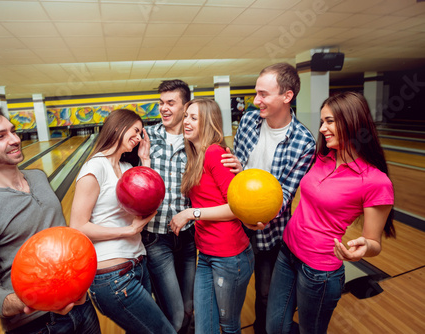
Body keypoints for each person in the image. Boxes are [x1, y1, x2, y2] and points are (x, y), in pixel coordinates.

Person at [0, 96, 101, 334]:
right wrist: (35, 300)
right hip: (38, 325)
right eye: (0, 136)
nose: (15, 140)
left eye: (13, 131)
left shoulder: (38, 177)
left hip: (81, 306)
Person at [266, 91, 396, 334]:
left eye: (330, 121)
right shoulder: (322, 158)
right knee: (274, 327)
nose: (323, 128)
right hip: (287, 252)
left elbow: (373, 242)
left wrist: (363, 248)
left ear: (352, 121)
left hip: (319, 271)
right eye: (322, 121)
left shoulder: (375, 182)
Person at [221, 62, 316, 334]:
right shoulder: (250, 120)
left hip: (269, 230)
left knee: (265, 294)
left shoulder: (303, 142)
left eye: (263, 94)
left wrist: (257, 216)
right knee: (229, 287)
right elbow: (235, 168)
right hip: (234, 222)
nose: (255, 101)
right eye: (256, 93)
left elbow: (284, 194)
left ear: (287, 96)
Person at [69, 108, 176, 334]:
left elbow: (147, 197)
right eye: (135, 131)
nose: (138, 138)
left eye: (140, 134)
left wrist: (145, 159)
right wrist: (127, 231)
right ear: (118, 127)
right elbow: (78, 227)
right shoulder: (95, 167)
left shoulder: (127, 168)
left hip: (138, 265)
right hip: (112, 276)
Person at [170, 98, 254, 334]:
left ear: (208, 122)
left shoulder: (214, 153)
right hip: (206, 254)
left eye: (193, 118)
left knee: (227, 327)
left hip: (229, 256)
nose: (186, 121)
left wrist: (191, 213)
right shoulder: (195, 156)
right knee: (204, 328)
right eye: (186, 116)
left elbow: (237, 207)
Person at [141, 79, 196, 333]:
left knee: (187, 308)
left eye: (170, 103)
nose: (163, 108)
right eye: (161, 103)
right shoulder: (146, 136)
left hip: (187, 238)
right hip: (155, 238)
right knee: (173, 313)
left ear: (186, 107)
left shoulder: (195, 141)